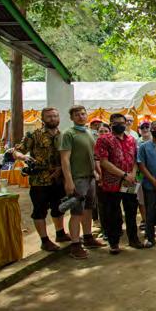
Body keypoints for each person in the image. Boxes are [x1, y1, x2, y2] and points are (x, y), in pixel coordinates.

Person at [13, 107, 70, 252]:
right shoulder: (34, 135)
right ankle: (44, 240)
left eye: (55, 116)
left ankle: (60, 233)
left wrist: (60, 169)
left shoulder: (63, 135)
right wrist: (23, 156)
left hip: (58, 179)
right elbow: (17, 150)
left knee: (59, 208)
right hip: (40, 180)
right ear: (43, 118)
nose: (53, 119)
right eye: (49, 116)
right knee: (40, 210)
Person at [60, 105, 105, 259]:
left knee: (88, 209)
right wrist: (69, 181)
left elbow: (92, 155)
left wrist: (96, 172)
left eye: (83, 113)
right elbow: (65, 159)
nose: (80, 116)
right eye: (77, 114)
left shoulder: (88, 132)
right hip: (77, 178)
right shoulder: (68, 134)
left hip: (90, 177)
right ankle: (75, 244)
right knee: (76, 212)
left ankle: (88, 237)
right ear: (72, 118)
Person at [95, 113, 143, 254]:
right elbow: (103, 161)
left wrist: (132, 174)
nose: (119, 125)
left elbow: (135, 159)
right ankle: (114, 243)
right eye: (115, 123)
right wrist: (123, 174)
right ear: (110, 124)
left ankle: (133, 239)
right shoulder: (103, 139)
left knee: (131, 211)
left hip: (130, 182)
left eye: (122, 122)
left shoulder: (131, 140)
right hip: (112, 183)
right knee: (113, 214)